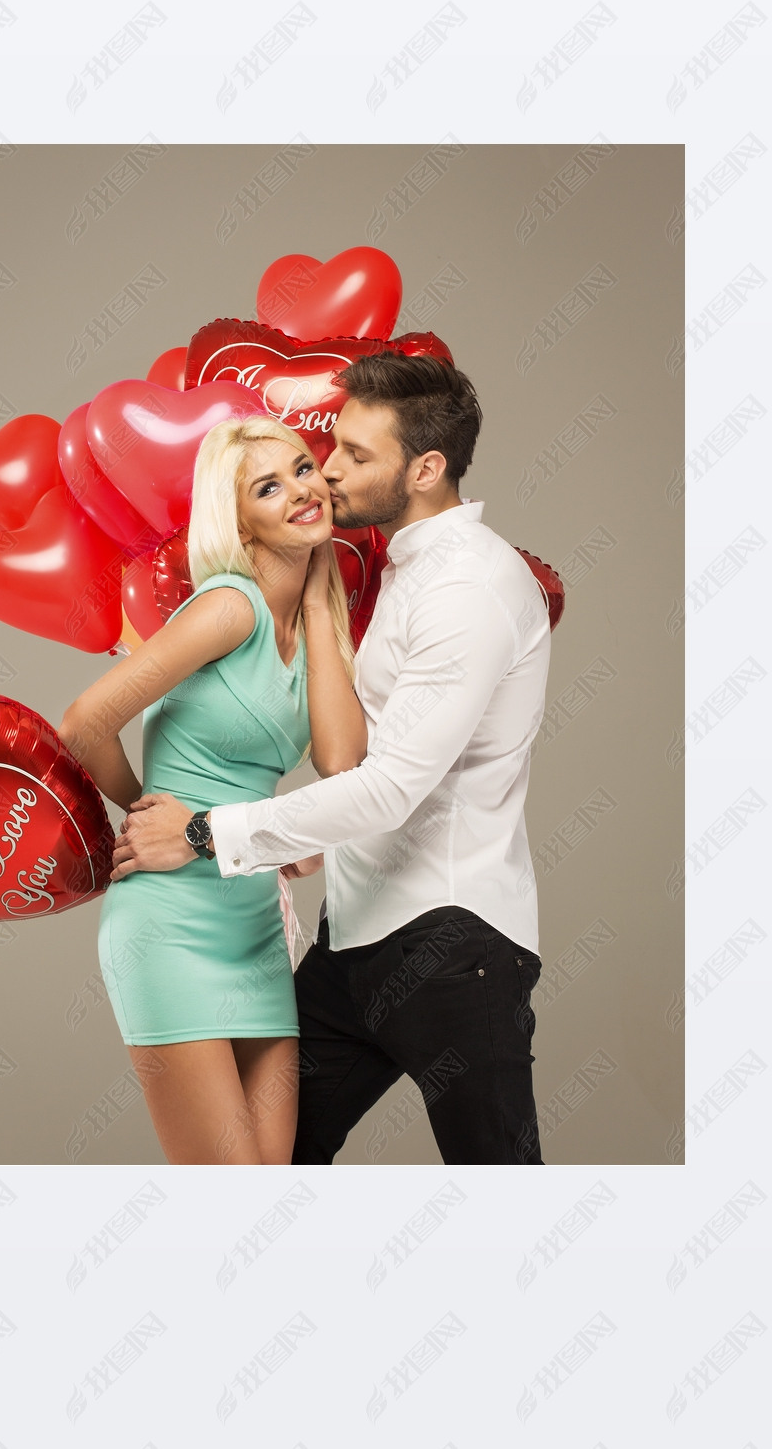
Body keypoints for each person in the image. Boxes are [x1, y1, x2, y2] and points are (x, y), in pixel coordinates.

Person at [110, 352, 552, 1165]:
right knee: (260, 1177)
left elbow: (384, 790)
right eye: (333, 447)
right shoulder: (404, 572)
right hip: (354, 949)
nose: (332, 471)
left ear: (425, 468)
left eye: (354, 454)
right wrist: (316, 596)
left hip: (451, 948)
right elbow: (354, 759)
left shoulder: (468, 589)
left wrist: (206, 833)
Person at [58, 415, 363, 1165]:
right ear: (241, 520)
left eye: (302, 468)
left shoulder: (312, 616)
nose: (299, 490)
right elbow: (86, 721)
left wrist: (320, 587)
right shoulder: (230, 607)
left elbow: (341, 760)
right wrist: (143, 816)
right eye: (268, 487)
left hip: (254, 928)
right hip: (169, 929)